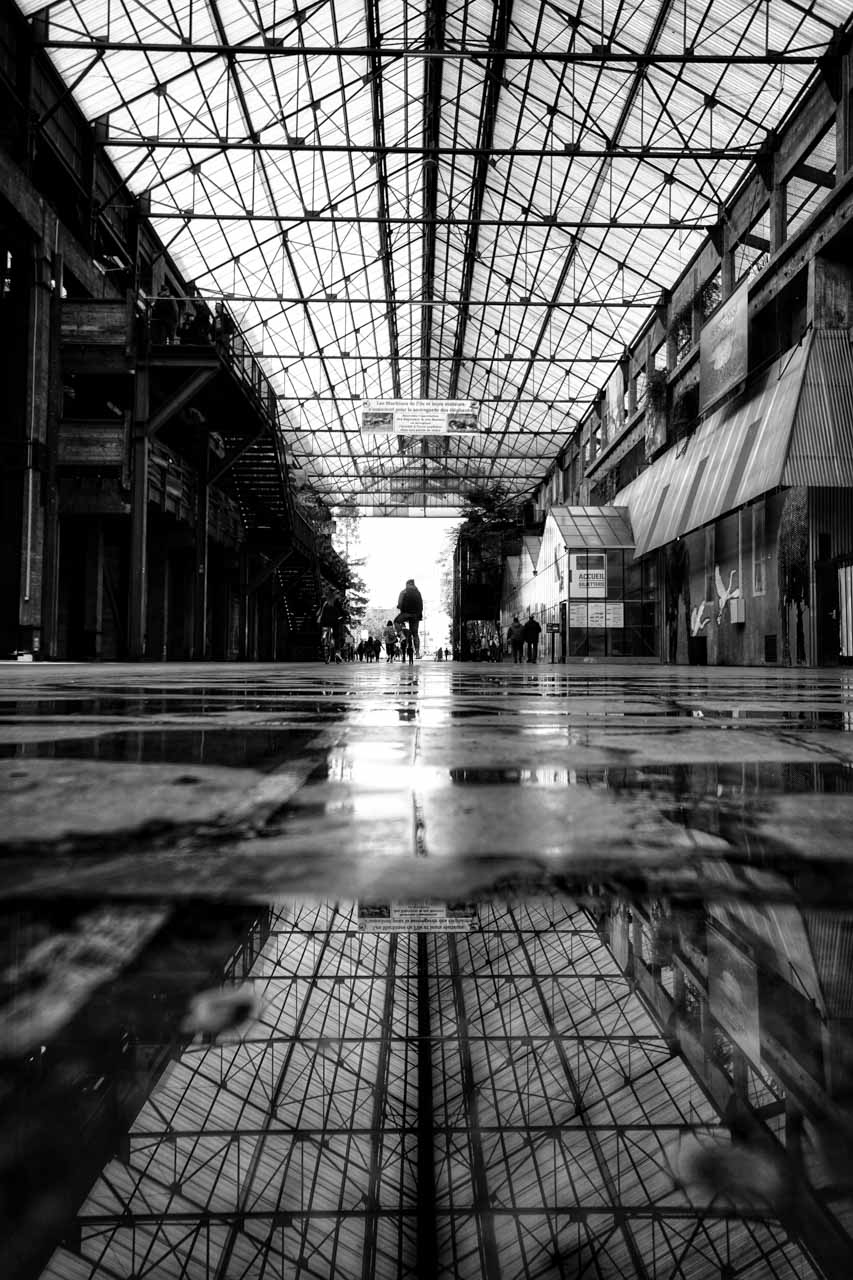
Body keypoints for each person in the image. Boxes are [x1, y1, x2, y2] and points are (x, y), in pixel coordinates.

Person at [395, 577, 424, 656]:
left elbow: (400, 603)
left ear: (407, 584)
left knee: (396, 622)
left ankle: (402, 636)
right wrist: (419, 615)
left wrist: (400, 608)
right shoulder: (418, 592)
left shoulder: (403, 592)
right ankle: (417, 653)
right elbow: (421, 605)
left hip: (406, 614)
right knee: (415, 634)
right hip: (416, 615)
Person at [316, 591, 344, 661]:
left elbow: (320, 610)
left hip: (324, 620)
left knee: (324, 630)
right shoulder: (336, 601)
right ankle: (337, 652)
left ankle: (323, 638)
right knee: (336, 636)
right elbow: (341, 612)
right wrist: (342, 617)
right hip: (334, 621)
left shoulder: (323, 600)